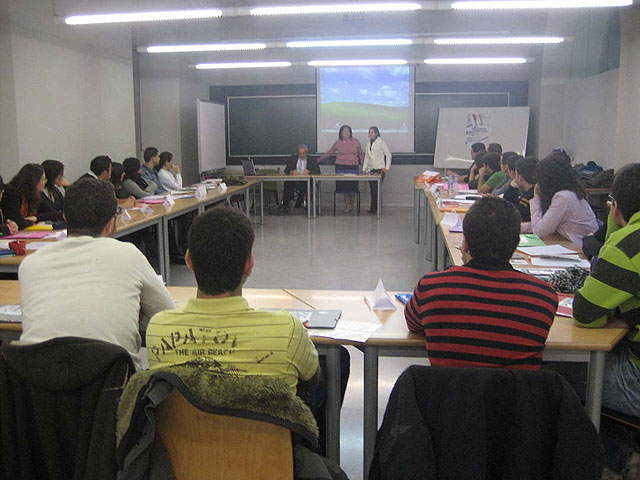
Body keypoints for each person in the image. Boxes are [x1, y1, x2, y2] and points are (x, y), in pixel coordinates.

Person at [19, 178, 175, 369]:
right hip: (112, 387)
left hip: (37, 389)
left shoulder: (30, 264)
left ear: (66, 218)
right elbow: (166, 313)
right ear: (111, 224)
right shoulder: (129, 255)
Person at [405, 196, 558, 370]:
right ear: (516, 246)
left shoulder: (432, 287)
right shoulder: (544, 297)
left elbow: (413, 325)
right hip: (514, 397)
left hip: (449, 396)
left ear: (465, 244)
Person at [549, 164, 640, 418]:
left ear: (616, 206)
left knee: (548, 371)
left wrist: (613, 231)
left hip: (636, 382)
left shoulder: (628, 244)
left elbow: (586, 315)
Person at [530, 154, 599, 247]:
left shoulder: (563, 197)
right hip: (575, 245)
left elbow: (539, 231)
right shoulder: (571, 193)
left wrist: (536, 197)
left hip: (580, 250)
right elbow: (544, 223)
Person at [0, 164, 61, 230]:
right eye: (43, 179)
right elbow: (18, 222)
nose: (45, 182)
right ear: (34, 181)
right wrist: (33, 223)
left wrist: (36, 218)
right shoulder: (11, 195)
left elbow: (56, 214)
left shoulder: (35, 194)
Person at [318, 125, 363, 214]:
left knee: (352, 187)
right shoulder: (338, 142)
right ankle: (347, 206)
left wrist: (364, 165)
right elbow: (330, 152)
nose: (346, 132)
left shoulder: (356, 142)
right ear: (341, 133)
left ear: (350, 132)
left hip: (353, 167)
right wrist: (319, 159)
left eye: (347, 131)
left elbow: (361, 154)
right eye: (344, 131)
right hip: (341, 167)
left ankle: (352, 204)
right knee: (344, 187)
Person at [280, 144, 320, 213]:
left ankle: (299, 204)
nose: (302, 155)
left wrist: (309, 171)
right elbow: (286, 170)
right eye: (300, 154)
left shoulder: (312, 160)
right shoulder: (293, 158)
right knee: (287, 183)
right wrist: (291, 171)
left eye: (303, 153)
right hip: (294, 181)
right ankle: (285, 205)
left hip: (307, 182)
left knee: (306, 186)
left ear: (307, 153)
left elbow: (318, 171)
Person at [363, 126, 392, 215]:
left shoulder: (381, 143)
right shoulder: (368, 144)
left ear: (376, 133)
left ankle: (377, 209)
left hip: (380, 170)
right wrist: (364, 168)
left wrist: (386, 168)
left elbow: (388, 155)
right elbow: (367, 157)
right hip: (371, 169)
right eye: (369, 132)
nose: (370, 134)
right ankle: (373, 209)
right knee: (372, 190)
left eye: (372, 132)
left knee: (377, 190)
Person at [503, 156, 538, 226]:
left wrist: (511, 189)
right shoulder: (536, 191)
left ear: (520, 177)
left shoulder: (529, 196)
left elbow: (509, 212)